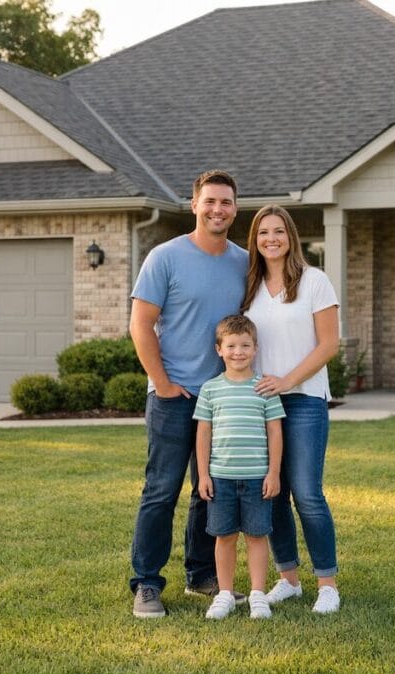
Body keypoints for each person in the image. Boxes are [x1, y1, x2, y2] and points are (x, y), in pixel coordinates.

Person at [128, 170, 248, 618]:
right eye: (211, 201)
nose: (219, 209)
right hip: (173, 396)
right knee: (161, 490)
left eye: (227, 202)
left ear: (235, 209)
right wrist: (161, 383)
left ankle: (202, 575)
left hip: (222, 400)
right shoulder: (165, 257)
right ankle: (146, 582)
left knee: (208, 491)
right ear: (194, 204)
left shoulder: (243, 261)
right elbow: (141, 325)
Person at [242, 205, 342, 614]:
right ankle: (289, 579)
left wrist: (288, 380)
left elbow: (328, 344)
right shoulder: (249, 286)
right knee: (274, 493)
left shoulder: (314, 281)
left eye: (278, 231)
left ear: (291, 236)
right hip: (261, 404)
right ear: (255, 239)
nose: (271, 238)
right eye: (263, 232)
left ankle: (327, 585)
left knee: (307, 493)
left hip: (303, 401)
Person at [194, 315, 285, 619]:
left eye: (245, 345)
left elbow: (275, 432)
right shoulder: (210, 390)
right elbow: (203, 433)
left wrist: (273, 473)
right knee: (224, 536)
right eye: (231, 345)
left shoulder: (264, 388)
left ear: (255, 349)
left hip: (257, 477)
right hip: (221, 478)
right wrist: (204, 474)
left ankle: (258, 594)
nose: (238, 351)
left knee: (257, 536)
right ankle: (224, 594)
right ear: (219, 349)